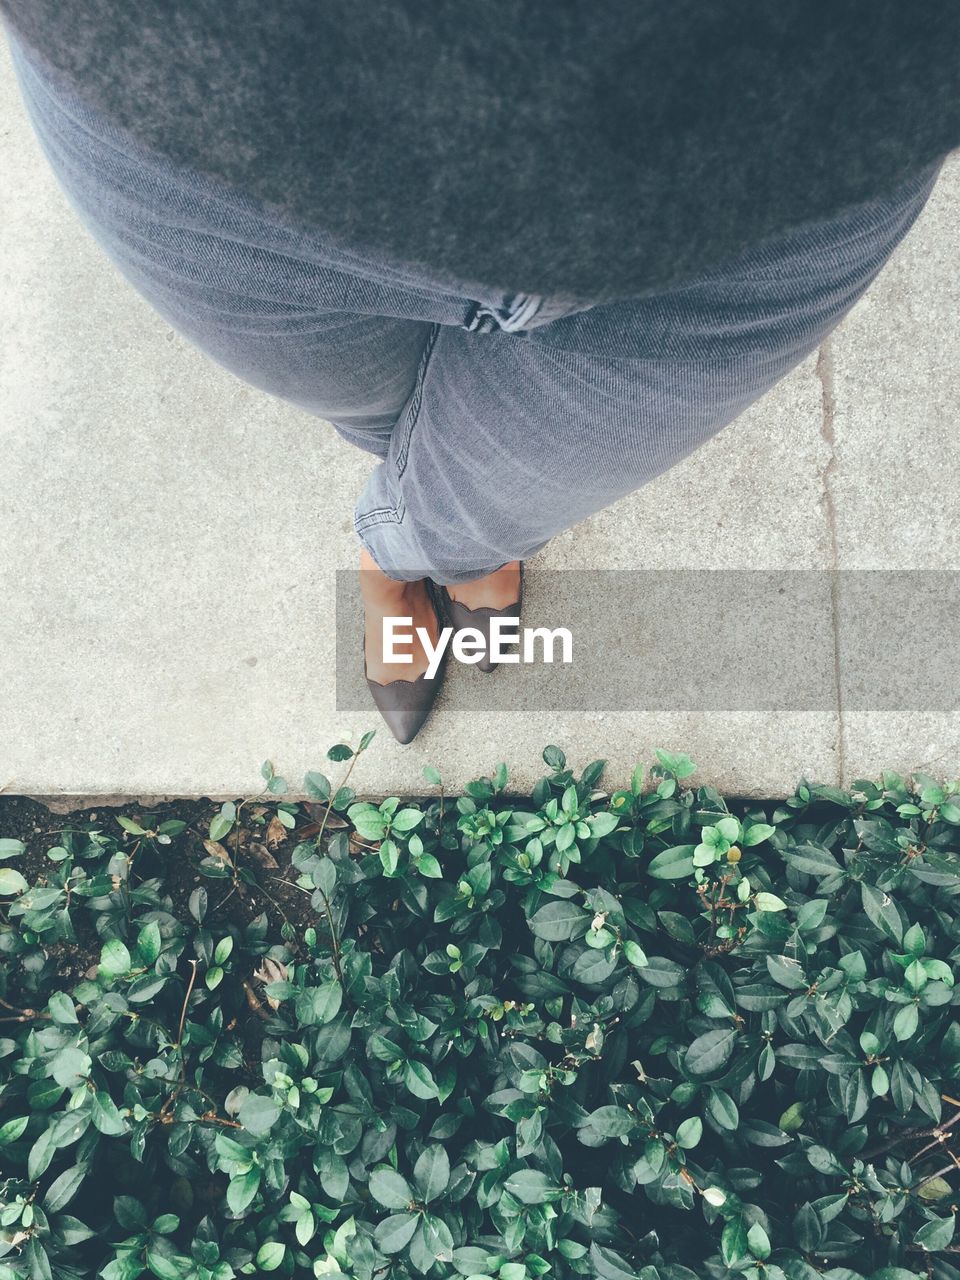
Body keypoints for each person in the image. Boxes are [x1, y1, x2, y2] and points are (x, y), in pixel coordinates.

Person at [2, 2, 958, 742]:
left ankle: (411, 550)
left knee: (510, 475)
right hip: (204, 127)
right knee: (368, 408)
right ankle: (444, 531)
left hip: (776, 167)